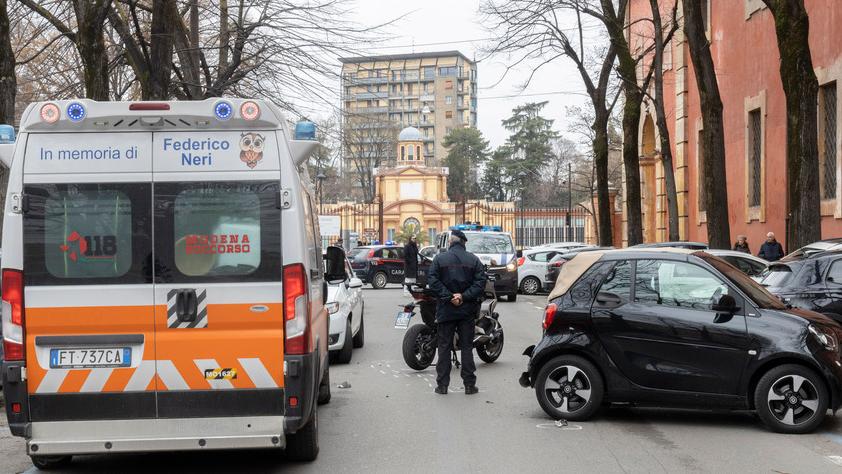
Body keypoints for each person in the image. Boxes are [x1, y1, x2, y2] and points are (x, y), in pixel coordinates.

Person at [427, 230, 487, 395]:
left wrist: (448, 296)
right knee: (467, 347)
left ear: (451, 242)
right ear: (463, 242)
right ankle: (469, 385)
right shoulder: (473, 260)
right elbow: (480, 282)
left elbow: (432, 280)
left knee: (444, 347)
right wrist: (463, 296)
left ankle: (442, 386)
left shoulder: (439, 259)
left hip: (446, 309)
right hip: (466, 310)